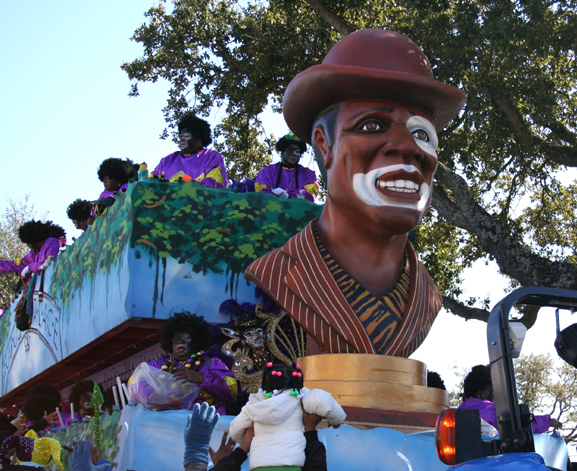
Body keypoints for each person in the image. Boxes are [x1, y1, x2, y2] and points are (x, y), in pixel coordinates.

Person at [245, 28, 467, 358]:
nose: (409, 148)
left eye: (422, 134)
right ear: (324, 144)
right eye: (372, 126)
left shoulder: (427, 297)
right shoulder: (277, 273)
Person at [228, 361, 345, 471]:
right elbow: (324, 401)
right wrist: (336, 419)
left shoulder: (255, 403)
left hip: (260, 470)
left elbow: (235, 430)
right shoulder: (301, 396)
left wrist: (248, 439)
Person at [143, 312, 237, 414]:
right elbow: (137, 384)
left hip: (204, 423)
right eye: (175, 339)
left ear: (196, 341)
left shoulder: (212, 363)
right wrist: (152, 396)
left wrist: (202, 378)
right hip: (167, 424)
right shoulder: (157, 364)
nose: (179, 342)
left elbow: (231, 392)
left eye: (185, 338)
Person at [457, 365, 561, 436]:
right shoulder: (491, 412)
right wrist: (547, 422)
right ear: (481, 393)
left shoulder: (459, 412)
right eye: (493, 391)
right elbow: (517, 425)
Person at [152, 114, 228, 188]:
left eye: (186, 136)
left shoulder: (210, 156)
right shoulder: (167, 160)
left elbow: (215, 184)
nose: (182, 139)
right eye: (181, 137)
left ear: (199, 138)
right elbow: (149, 182)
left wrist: (191, 185)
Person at [254, 133, 319, 201]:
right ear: (282, 152)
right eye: (290, 150)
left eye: (297, 151)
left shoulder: (308, 174)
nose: (293, 154)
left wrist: (289, 195)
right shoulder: (267, 172)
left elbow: (310, 194)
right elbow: (261, 194)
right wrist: (274, 197)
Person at [0, 220, 65, 280]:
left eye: (29, 244)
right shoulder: (33, 254)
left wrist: (30, 267)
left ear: (34, 241)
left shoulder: (52, 243)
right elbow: (16, 265)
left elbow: (51, 263)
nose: (29, 246)